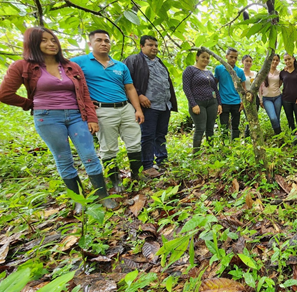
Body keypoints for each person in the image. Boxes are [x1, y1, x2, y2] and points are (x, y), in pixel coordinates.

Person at [0, 27, 116, 211]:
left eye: (53, 40)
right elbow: (5, 94)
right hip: (48, 118)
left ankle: (103, 196)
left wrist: (92, 118)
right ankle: (79, 200)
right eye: (44, 40)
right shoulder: (22, 66)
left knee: (90, 156)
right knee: (63, 159)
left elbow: (85, 93)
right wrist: (31, 103)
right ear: (33, 44)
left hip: (77, 116)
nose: (51, 44)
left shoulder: (71, 66)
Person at [71, 30, 146, 190]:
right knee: (109, 148)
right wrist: (84, 102)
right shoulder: (79, 63)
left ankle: (136, 176)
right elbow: (65, 82)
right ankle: (115, 181)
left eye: (107, 41)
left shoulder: (119, 65)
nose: (104, 43)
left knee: (134, 144)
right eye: (99, 40)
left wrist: (137, 110)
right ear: (90, 44)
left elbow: (130, 88)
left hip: (125, 108)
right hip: (102, 110)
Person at [123, 35, 177, 178]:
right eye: (150, 45)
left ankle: (162, 160)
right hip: (149, 106)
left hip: (164, 105)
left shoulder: (159, 62)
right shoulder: (133, 60)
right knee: (147, 135)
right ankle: (147, 165)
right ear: (142, 46)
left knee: (161, 134)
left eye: (156, 45)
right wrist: (139, 95)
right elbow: (126, 82)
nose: (154, 48)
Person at [183, 49, 222, 151]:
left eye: (208, 58)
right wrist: (193, 104)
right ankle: (196, 154)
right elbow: (186, 88)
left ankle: (210, 151)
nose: (206, 59)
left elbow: (215, 88)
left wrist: (219, 103)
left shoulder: (209, 72)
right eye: (203, 57)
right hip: (198, 103)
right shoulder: (190, 70)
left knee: (210, 128)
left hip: (212, 103)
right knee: (200, 128)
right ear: (197, 57)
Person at [214, 48, 246, 140]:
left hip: (236, 102)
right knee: (224, 125)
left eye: (235, 58)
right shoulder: (219, 69)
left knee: (235, 125)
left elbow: (243, 88)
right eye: (231, 57)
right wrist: (216, 101)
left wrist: (242, 101)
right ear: (226, 56)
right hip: (223, 102)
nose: (233, 60)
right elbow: (214, 85)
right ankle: (224, 145)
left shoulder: (239, 71)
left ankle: (235, 145)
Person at [280, 53, 297, 130]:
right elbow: (278, 85)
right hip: (286, 99)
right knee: (289, 118)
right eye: (285, 60)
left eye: (289, 59)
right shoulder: (282, 72)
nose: (288, 61)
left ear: (293, 59)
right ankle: (292, 134)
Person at [260, 54, 283, 135]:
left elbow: (280, 83)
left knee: (277, 117)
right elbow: (260, 86)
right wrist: (260, 99)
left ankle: (278, 137)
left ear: (279, 61)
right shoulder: (264, 71)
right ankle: (279, 133)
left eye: (277, 60)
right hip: (267, 98)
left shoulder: (279, 72)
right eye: (273, 59)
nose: (275, 61)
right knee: (273, 118)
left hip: (277, 97)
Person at [242, 55, 259, 138]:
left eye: (250, 61)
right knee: (248, 117)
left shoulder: (255, 73)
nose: (248, 63)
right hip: (246, 98)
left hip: (255, 98)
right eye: (246, 61)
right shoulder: (240, 72)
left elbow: (259, 86)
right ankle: (247, 136)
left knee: (254, 117)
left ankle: (254, 135)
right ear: (243, 62)